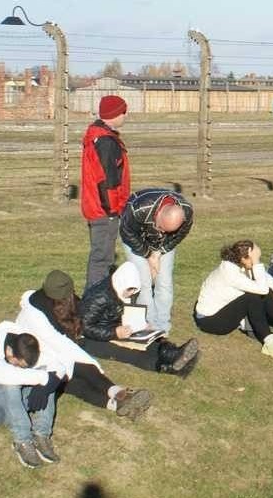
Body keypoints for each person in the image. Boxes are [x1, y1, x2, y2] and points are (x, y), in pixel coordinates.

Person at [14, 269, 153, 420]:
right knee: (71, 381)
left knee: (81, 368)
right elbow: (61, 345)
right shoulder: (36, 317)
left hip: (55, 351)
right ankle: (116, 402)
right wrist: (93, 363)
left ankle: (118, 392)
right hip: (36, 359)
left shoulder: (54, 300)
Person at [194, 240, 273, 363]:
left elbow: (272, 284)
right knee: (253, 296)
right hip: (210, 320)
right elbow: (262, 290)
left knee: (263, 290)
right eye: (255, 258)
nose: (257, 261)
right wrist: (256, 263)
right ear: (244, 258)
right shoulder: (229, 273)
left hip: (228, 311)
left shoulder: (242, 265)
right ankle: (269, 342)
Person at [0, 325, 58, 468]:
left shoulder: (22, 346)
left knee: (47, 379)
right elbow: (5, 375)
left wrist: (46, 384)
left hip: (10, 407)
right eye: (20, 364)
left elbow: (56, 365)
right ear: (9, 353)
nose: (21, 368)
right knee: (11, 383)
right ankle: (22, 441)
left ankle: (41, 434)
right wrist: (44, 378)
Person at [79, 263, 201, 376]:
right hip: (92, 338)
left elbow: (122, 311)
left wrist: (140, 323)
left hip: (115, 327)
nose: (131, 293)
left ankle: (172, 352)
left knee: (149, 338)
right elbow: (84, 327)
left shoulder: (122, 289)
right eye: (130, 289)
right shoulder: (98, 297)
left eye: (134, 289)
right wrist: (114, 332)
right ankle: (167, 367)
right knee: (130, 352)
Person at [118, 187, 192, 336]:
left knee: (164, 281)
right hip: (136, 239)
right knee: (144, 282)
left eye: (168, 231)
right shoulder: (137, 209)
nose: (163, 232)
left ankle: (163, 325)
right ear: (158, 215)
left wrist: (158, 253)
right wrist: (147, 254)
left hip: (164, 245)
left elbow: (179, 236)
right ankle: (150, 325)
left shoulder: (187, 213)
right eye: (161, 228)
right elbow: (127, 233)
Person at [80, 95, 130, 288]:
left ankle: (96, 298)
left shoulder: (98, 136)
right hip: (104, 209)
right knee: (102, 259)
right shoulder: (106, 142)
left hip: (97, 206)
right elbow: (107, 180)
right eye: (123, 111)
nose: (126, 115)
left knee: (102, 256)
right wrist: (113, 210)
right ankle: (94, 301)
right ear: (115, 114)